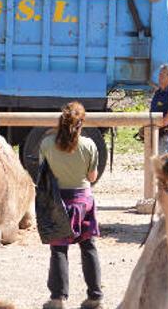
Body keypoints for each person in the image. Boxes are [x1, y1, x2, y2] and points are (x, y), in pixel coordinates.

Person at [38, 101, 102, 309]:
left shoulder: (46, 144)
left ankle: (58, 299)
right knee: (89, 247)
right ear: (81, 123)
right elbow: (91, 178)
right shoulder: (89, 145)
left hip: (58, 202)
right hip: (83, 200)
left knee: (58, 249)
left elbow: (42, 173)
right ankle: (95, 297)